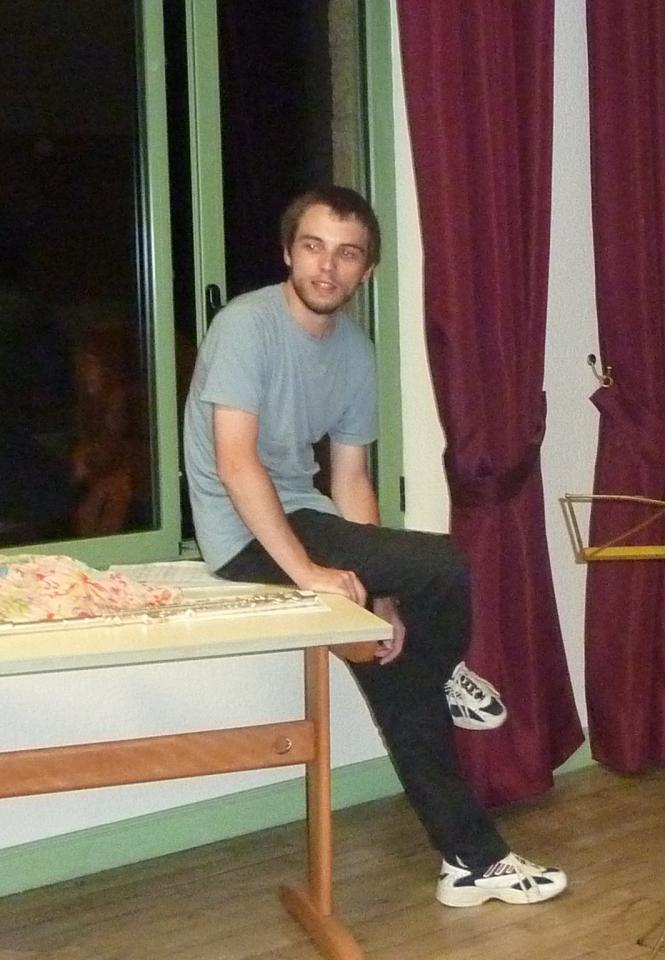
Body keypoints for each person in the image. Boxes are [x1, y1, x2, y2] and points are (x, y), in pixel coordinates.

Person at [182, 185, 566, 907]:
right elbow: (237, 464)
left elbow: (353, 479)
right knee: (444, 563)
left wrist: (383, 599)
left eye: (347, 253)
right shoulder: (246, 326)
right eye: (314, 247)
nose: (328, 267)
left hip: (306, 516)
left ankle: (471, 860)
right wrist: (310, 574)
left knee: (401, 682)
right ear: (288, 253)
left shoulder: (356, 351)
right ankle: (445, 669)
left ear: (367, 270)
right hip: (244, 535)